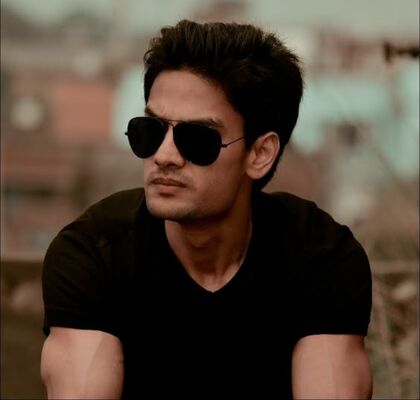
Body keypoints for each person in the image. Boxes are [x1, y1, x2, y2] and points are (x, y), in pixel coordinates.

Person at [40, 19, 373, 399]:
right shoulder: (96, 252)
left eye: (197, 139)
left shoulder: (320, 256)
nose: (165, 156)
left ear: (260, 154)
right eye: (151, 131)